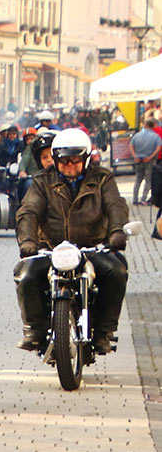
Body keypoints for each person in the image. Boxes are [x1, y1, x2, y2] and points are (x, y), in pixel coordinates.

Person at [15, 127, 130, 354]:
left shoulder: (102, 178)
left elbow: (116, 206)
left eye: (74, 160)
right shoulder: (41, 181)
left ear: (85, 159)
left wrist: (117, 233)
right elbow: (28, 212)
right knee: (26, 275)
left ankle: (104, 332)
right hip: (52, 249)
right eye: (63, 160)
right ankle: (34, 330)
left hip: (93, 247)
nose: (69, 165)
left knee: (117, 272)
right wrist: (28, 241)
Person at [128, 118, 160, 205]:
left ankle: (135, 199)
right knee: (148, 180)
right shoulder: (155, 136)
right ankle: (143, 199)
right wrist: (150, 157)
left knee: (138, 179)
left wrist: (135, 156)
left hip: (138, 159)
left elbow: (131, 145)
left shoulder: (137, 135)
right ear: (153, 126)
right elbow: (158, 147)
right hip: (149, 161)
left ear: (145, 125)